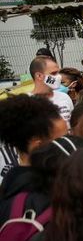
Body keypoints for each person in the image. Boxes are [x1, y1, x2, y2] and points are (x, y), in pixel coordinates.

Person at [0, 96, 69, 225]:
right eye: (62, 139)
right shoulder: (38, 198)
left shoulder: (11, 184)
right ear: (37, 146)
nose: (70, 142)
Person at [29, 56, 74, 125]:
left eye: (58, 73)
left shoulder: (65, 97)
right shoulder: (26, 103)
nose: (59, 77)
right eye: (53, 73)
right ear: (39, 76)